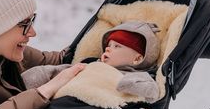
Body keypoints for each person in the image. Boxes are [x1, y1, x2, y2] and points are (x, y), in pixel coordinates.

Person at [21, 20, 161, 104]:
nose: (108, 49)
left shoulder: (132, 76)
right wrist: (37, 76)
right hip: (64, 102)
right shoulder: (89, 65)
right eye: (109, 45)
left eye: (117, 46)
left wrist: (130, 84)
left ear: (137, 59)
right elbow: (55, 72)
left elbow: (152, 91)